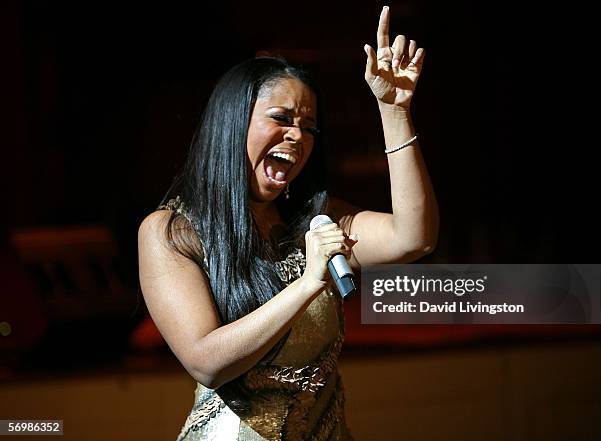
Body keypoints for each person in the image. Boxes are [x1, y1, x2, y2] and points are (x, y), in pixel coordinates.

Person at [137, 6, 438, 440]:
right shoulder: (172, 232)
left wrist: (394, 112)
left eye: (309, 126)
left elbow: (414, 238)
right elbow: (206, 361)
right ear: (233, 123)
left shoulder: (315, 221)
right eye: (281, 119)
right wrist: (308, 282)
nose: (297, 136)